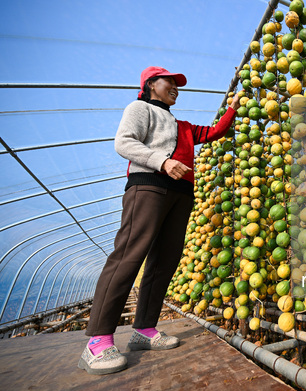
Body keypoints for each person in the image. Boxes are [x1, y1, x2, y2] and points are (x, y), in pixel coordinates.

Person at [78, 66, 239, 375]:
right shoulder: (140, 108)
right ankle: (97, 340)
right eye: (170, 82)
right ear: (151, 84)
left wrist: (233, 107)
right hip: (148, 186)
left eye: (178, 84)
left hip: (181, 193)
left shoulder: (184, 126)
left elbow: (215, 132)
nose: (176, 87)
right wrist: (162, 162)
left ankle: (144, 329)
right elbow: (124, 142)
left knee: (165, 260)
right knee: (129, 254)